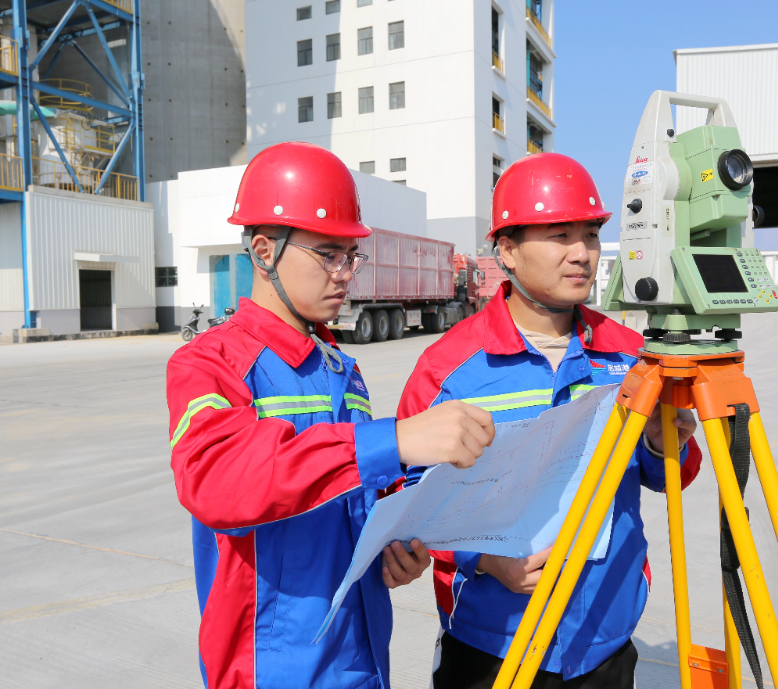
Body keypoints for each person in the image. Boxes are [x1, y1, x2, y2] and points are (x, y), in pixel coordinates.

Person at [166, 142, 495, 689]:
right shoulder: (211, 362)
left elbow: (350, 496)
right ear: (265, 251)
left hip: (363, 660)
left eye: (351, 256)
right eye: (328, 254)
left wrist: (394, 547)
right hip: (276, 672)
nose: (345, 274)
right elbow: (217, 480)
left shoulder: (342, 367)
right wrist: (394, 441)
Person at [397, 153, 704, 688]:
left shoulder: (632, 356)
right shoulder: (449, 369)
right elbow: (411, 501)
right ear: (508, 250)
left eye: (591, 235)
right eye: (560, 236)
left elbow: (673, 475)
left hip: (604, 637)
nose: (581, 253)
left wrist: (662, 445)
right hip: (492, 642)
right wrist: (484, 560)